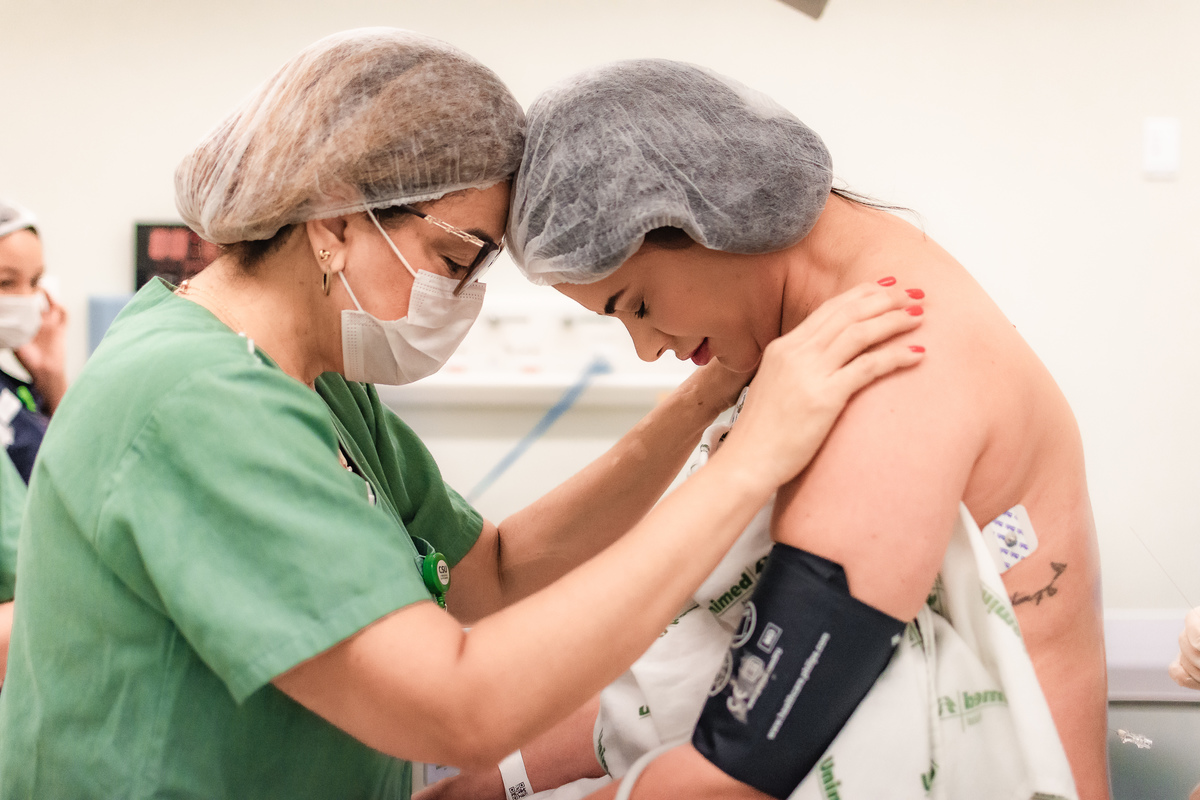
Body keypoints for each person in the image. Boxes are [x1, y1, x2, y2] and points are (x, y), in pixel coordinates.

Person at [0, 30, 926, 798]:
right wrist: (744, 468)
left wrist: (706, 401)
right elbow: (456, 704)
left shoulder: (316, 381)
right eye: (458, 259)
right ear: (334, 217)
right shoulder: (195, 405)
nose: (465, 298)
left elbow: (493, 570)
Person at [495, 60, 1107, 800]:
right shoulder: (825, 337)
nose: (648, 347)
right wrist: (506, 775)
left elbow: (741, 764)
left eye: (638, 304)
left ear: (705, 217)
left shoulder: (892, 363)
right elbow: (718, 660)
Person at [0, 199, 68, 684]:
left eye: (35, 281)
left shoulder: (18, 387)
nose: (27, 299)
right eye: (6, 283)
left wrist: (52, 380)